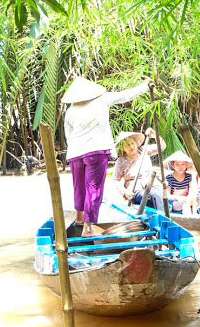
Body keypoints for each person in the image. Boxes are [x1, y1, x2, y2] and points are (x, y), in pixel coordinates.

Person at [62, 76, 150, 236]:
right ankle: (88, 228)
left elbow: (68, 135)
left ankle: (80, 219)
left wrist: (77, 149)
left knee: (79, 187)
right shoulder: (102, 99)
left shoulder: (70, 111)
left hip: (75, 153)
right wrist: (145, 85)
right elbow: (126, 95)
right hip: (96, 151)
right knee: (93, 188)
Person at [112, 129, 165, 210]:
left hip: (151, 186)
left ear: (136, 144)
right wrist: (124, 192)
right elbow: (115, 180)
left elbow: (162, 146)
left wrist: (154, 134)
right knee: (148, 199)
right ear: (123, 149)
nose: (131, 147)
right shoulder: (121, 161)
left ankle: (161, 219)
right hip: (135, 191)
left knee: (156, 195)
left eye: (132, 143)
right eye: (127, 145)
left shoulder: (143, 150)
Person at [164, 151, 196, 215]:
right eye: (177, 164)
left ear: (186, 165)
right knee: (184, 203)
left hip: (187, 201)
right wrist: (178, 198)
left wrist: (187, 199)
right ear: (173, 165)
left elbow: (192, 191)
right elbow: (167, 195)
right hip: (174, 202)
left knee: (191, 201)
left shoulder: (189, 177)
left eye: (183, 164)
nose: (180, 167)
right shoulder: (169, 177)